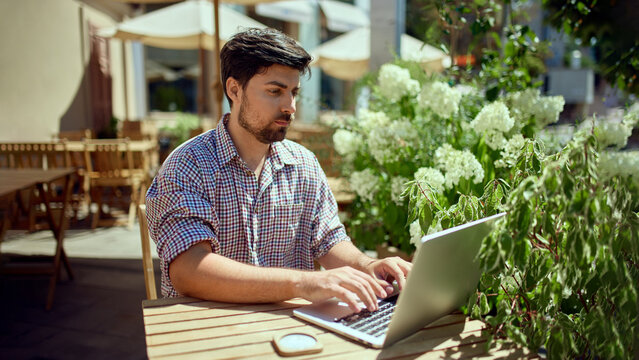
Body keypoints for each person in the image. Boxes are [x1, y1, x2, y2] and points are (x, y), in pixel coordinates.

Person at [146, 28, 412, 313]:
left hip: (292, 328)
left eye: (293, 92)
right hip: (209, 329)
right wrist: (303, 283)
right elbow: (190, 271)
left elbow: (329, 240)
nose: (290, 106)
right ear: (234, 90)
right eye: (275, 91)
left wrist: (368, 265)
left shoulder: (304, 163)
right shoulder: (189, 164)